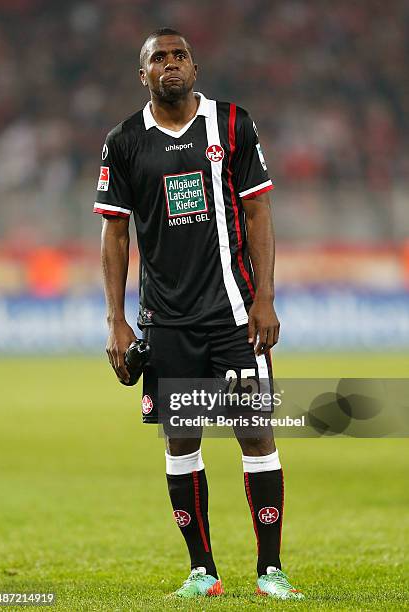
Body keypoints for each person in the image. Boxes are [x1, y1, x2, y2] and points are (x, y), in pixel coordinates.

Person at [93, 27, 303, 600]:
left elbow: (258, 213)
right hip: (166, 322)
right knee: (180, 440)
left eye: (180, 55)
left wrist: (264, 298)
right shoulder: (124, 140)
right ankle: (202, 572)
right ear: (143, 75)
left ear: (194, 66)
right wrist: (115, 318)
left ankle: (270, 571)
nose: (171, 65)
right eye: (158, 59)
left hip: (234, 313)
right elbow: (115, 234)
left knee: (257, 435)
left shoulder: (232, 124)